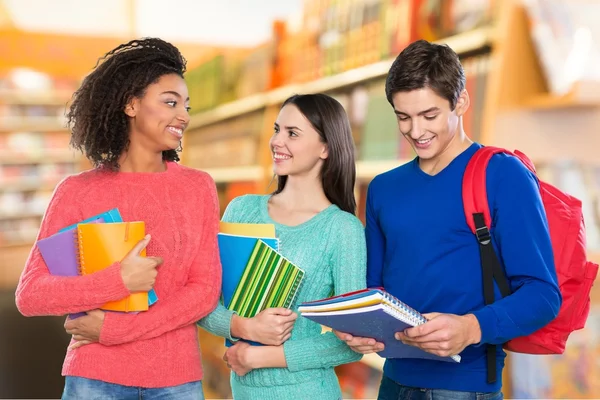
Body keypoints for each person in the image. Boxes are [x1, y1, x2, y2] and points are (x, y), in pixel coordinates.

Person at [334, 40, 562, 399]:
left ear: (461, 102)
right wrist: (359, 326)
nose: (415, 131)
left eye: (429, 115)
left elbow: (543, 294)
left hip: (466, 388)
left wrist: (471, 328)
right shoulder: (383, 189)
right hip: (393, 384)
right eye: (403, 117)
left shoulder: (502, 175)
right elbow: (375, 290)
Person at [15, 38, 221, 400]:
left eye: (186, 105)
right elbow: (31, 295)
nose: (184, 115)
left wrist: (115, 329)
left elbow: (204, 292)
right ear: (130, 104)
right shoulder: (77, 191)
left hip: (175, 380)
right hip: (94, 378)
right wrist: (119, 281)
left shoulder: (197, 187)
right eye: (170, 102)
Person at [197, 93, 367, 400]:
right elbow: (204, 306)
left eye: (292, 133)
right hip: (243, 392)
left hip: (308, 392)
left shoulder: (342, 229)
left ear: (325, 147)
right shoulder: (241, 210)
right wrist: (246, 328)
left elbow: (351, 344)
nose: (277, 141)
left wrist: (259, 357)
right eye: (277, 130)